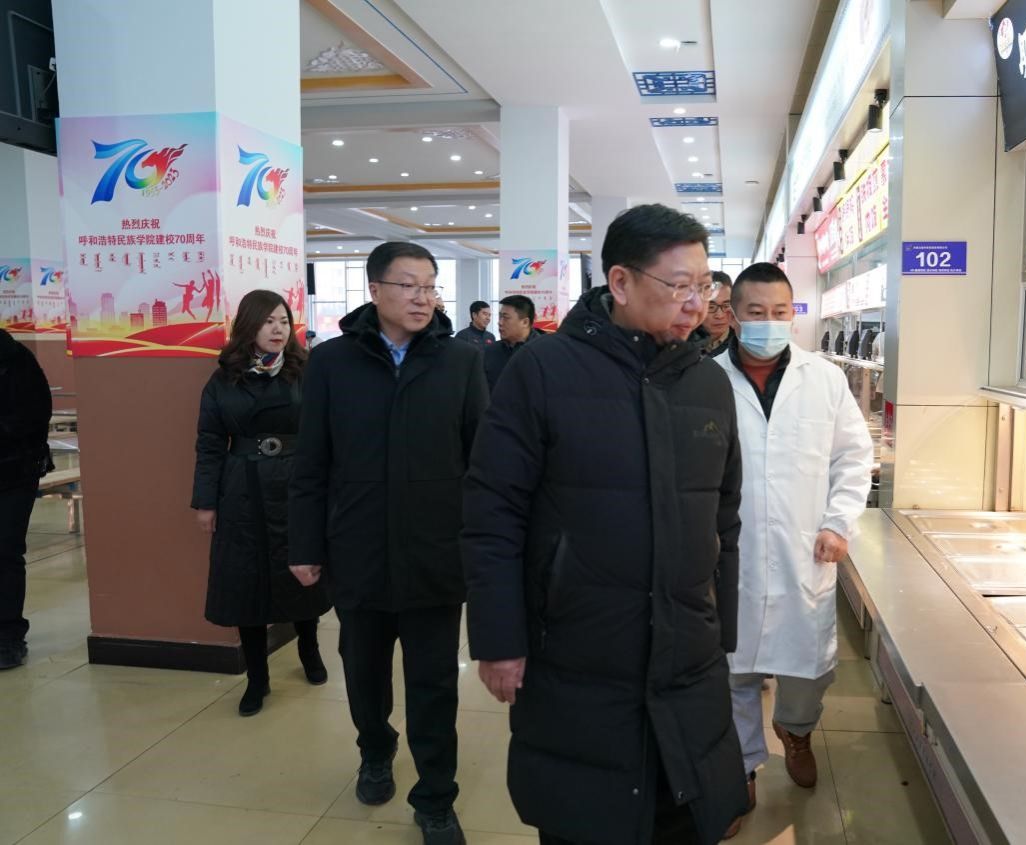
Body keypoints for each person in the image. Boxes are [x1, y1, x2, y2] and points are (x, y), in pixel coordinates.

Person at [463, 204, 749, 844]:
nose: (698, 303)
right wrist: (499, 639)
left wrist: (722, 627)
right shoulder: (543, 370)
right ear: (620, 282)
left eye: (705, 285)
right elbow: (492, 513)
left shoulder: (708, 384)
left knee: (686, 816)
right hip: (576, 650)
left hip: (688, 655)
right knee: (588, 818)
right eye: (680, 285)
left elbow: (724, 517)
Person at [289, 242, 487, 845]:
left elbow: (481, 460)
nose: (423, 298)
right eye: (409, 285)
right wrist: (305, 544)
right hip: (358, 548)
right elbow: (312, 461)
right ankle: (375, 750)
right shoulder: (332, 363)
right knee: (364, 671)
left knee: (435, 683)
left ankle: (436, 797)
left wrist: (483, 544)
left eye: (430, 286)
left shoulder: (460, 361)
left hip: (435, 551)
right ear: (374, 290)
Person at [714, 262, 872, 839]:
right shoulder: (706, 380)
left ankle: (796, 731)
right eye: (755, 312)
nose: (769, 322)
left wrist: (838, 522)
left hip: (807, 549)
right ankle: (742, 767)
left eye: (780, 312)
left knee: (806, 668)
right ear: (733, 316)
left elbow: (852, 457)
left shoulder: (823, 379)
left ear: (793, 315)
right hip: (729, 552)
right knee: (732, 670)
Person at [192, 290, 331, 715]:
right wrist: (205, 502)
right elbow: (210, 443)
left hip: (296, 484)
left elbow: (326, 432)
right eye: (269, 321)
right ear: (249, 326)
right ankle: (257, 676)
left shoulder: (305, 370)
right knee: (245, 581)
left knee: (301, 570)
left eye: (284, 321)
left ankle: (309, 648)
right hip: (242, 488)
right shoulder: (224, 377)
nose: (278, 329)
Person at [0, 328, 53, 670]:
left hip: (14, 473)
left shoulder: (16, 360)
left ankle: (8, 637)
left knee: (5, 550)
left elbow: (35, 416)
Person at [482, 295, 536, 393]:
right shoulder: (490, 351)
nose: (500, 322)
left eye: (506, 318)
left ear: (525, 322)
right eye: (500, 317)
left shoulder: (543, 351)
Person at [704, 271, 733, 358]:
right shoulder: (682, 342)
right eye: (711, 307)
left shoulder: (741, 347)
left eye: (726, 305)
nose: (720, 315)